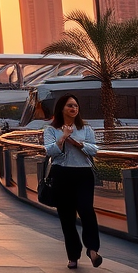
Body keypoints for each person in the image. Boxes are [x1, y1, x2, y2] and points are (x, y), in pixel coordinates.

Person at [44, 94, 101, 269]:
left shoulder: (85, 129)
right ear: (61, 109)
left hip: (83, 174)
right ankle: (73, 256)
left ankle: (92, 250)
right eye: (69, 106)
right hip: (62, 174)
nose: (73, 109)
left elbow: (95, 149)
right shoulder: (51, 130)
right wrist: (63, 138)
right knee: (67, 217)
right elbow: (49, 151)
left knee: (86, 210)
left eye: (75, 106)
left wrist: (79, 144)